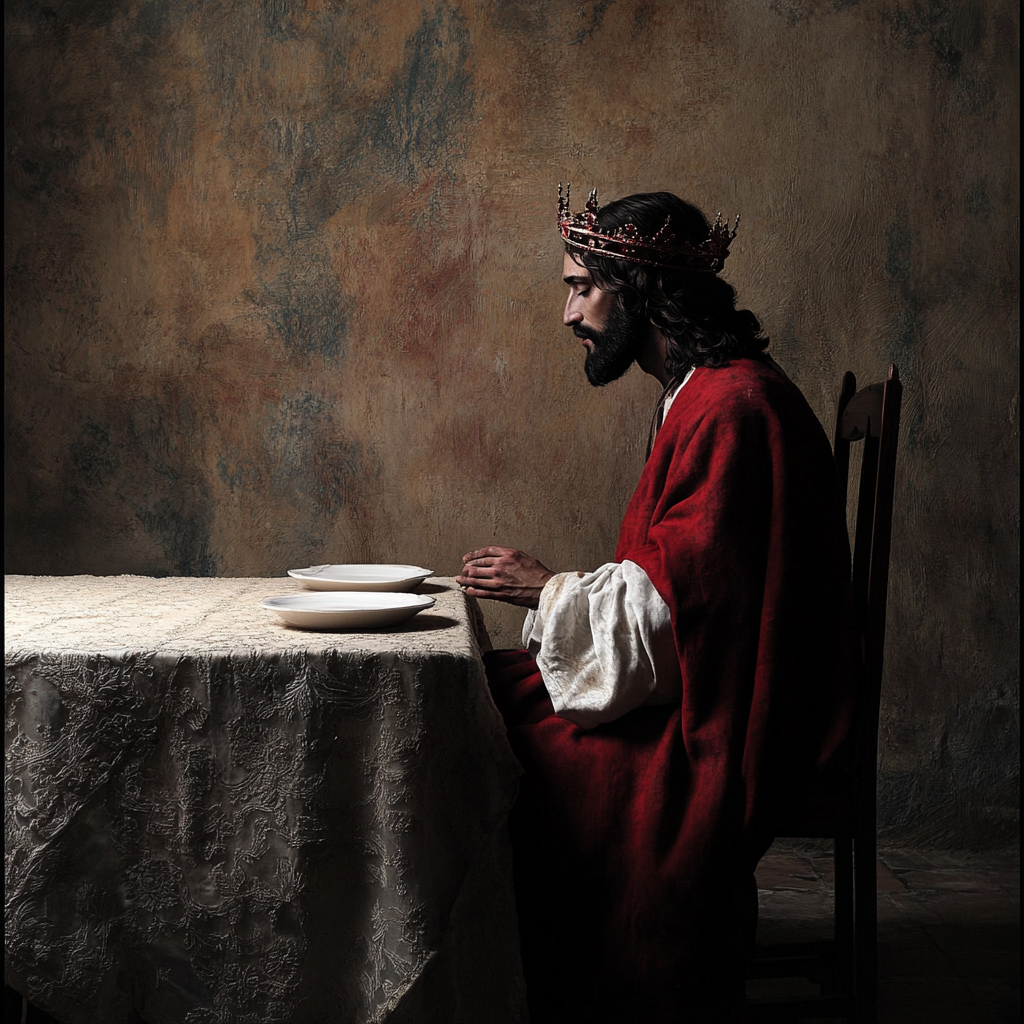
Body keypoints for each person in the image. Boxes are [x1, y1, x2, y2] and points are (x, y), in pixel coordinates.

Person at [455, 188, 855, 1023]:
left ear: (639, 289)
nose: (569, 314)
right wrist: (560, 593)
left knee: (489, 734)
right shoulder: (698, 397)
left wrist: (549, 588)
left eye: (581, 287)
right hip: (703, 693)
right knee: (480, 692)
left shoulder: (734, 407)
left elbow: (689, 622)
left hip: (726, 724)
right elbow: (688, 586)